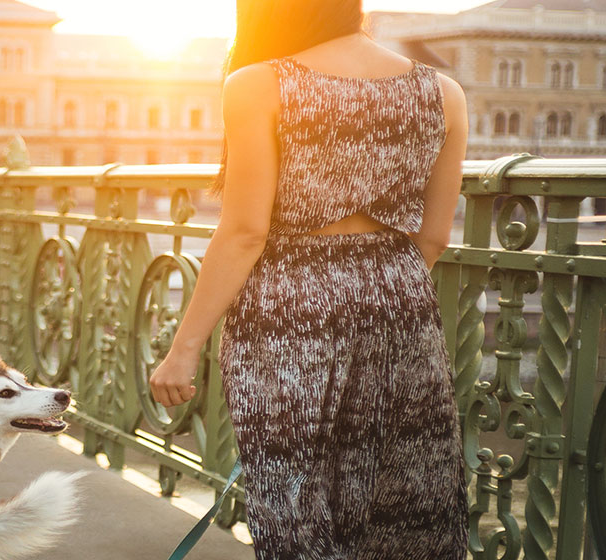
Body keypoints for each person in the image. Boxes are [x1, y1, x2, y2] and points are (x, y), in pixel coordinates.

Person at [146, 0, 470, 557]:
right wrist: (375, 284)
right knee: (397, 486)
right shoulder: (444, 92)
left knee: (295, 488)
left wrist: (184, 347)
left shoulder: (259, 84)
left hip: (289, 304)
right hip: (398, 298)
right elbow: (435, 236)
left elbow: (245, 231)